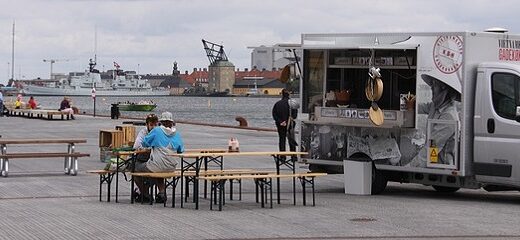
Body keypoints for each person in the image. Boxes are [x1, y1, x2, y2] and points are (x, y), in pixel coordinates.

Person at [133, 112, 184, 203]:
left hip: (157, 165)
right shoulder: (177, 134)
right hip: (171, 167)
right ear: (171, 123)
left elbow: (144, 143)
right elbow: (180, 150)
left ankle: (145, 194)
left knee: (135, 169)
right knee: (159, 169)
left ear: (161, 122)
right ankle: (161, 193)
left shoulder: (156, 131)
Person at [412, 74, 460, 167]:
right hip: (433, 164)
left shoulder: (448, 116)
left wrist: (412, 166)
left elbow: (433, 145)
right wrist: (408, 103)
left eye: (435, 85)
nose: (432, 88)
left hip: (441, 167)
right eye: (432, 84)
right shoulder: (436, 106)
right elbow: (422, 107)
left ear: (444, 91)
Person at [272, 89, 298, 157]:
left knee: (282, 140)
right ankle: (293, 156)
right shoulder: (292, 103)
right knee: (291, 139)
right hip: (290, 124)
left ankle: (282, 156)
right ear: (289, 94)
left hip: (280, 124)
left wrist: (281, 122)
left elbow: (274, 114)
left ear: (282, 94)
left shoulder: (277, 104)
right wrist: (287, 121)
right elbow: (295, 115)